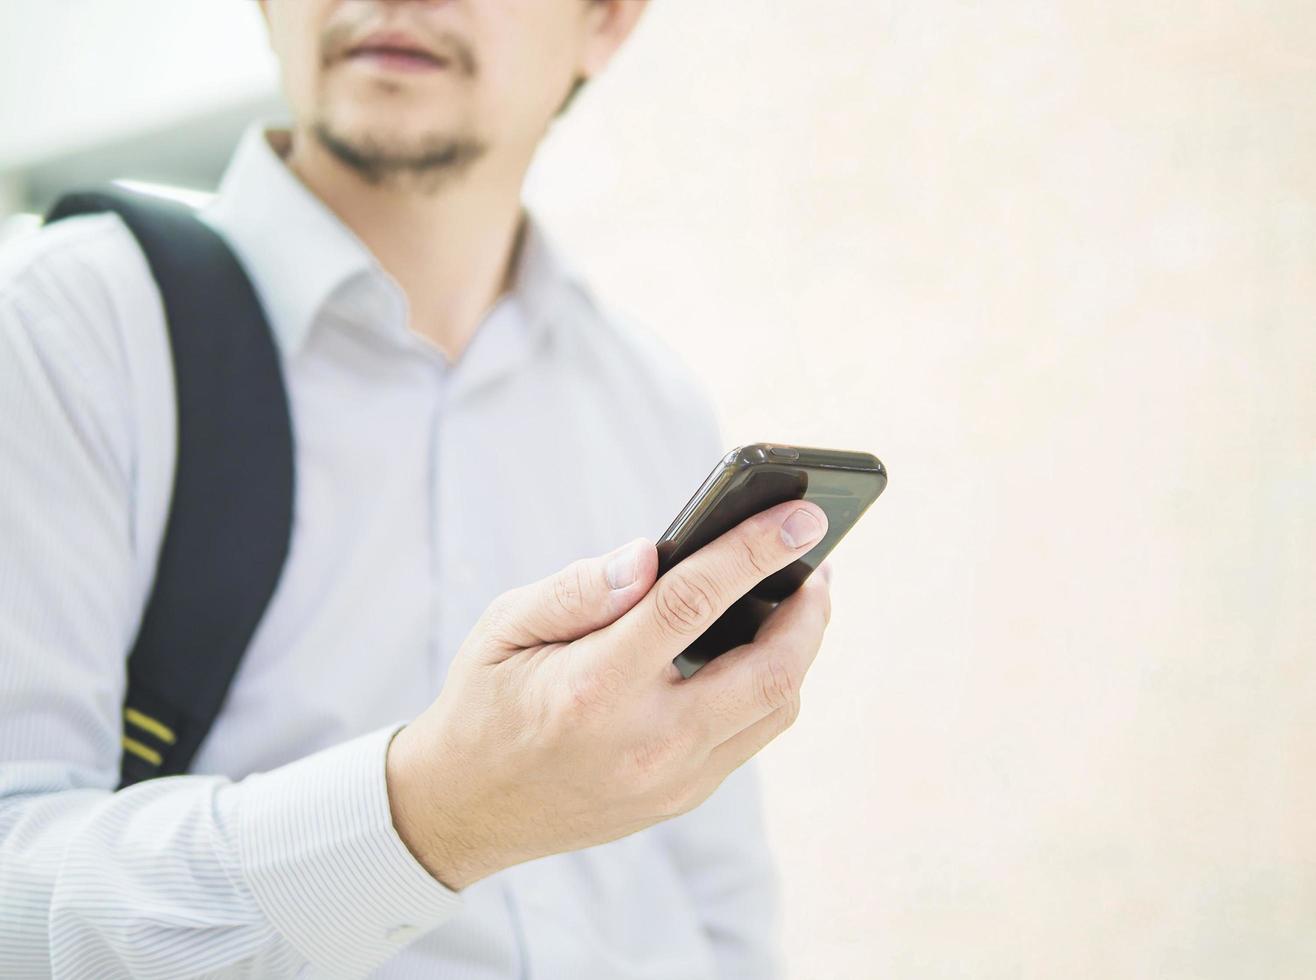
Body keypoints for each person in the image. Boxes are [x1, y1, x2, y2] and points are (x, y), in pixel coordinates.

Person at [0, 2, 833, 977]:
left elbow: (714, 892)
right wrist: (431, 812)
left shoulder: (651, 403)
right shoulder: (59, 330)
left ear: (605, 20)